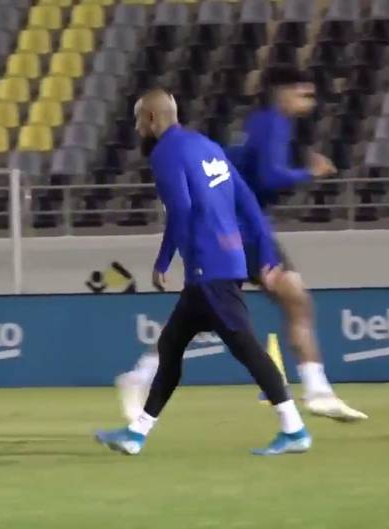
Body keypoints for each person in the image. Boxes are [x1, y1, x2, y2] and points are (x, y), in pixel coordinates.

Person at [116, 68, 367, 423]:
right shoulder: (271, 124)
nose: (308, 101)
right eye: (302, 93)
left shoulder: (268, 125)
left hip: (239, 226)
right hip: (232, 229)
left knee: (204, 313)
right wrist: (308, 173)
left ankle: (140, 375)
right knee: (283, 300)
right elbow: (265, 179)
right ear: (282, 93)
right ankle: (310, 397)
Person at [96, 89, 311, 456]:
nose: (136, 127)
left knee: (247, 348)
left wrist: (163, 261)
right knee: (169, 347)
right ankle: (136, 434)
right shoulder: (207, 147)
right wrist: (264, 251)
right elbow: (247, 202)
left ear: (150, 119)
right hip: (224, 263)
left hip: (208, 267)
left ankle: (294, 429)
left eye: (137, 119)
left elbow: (180, 210)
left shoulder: (165, 154)